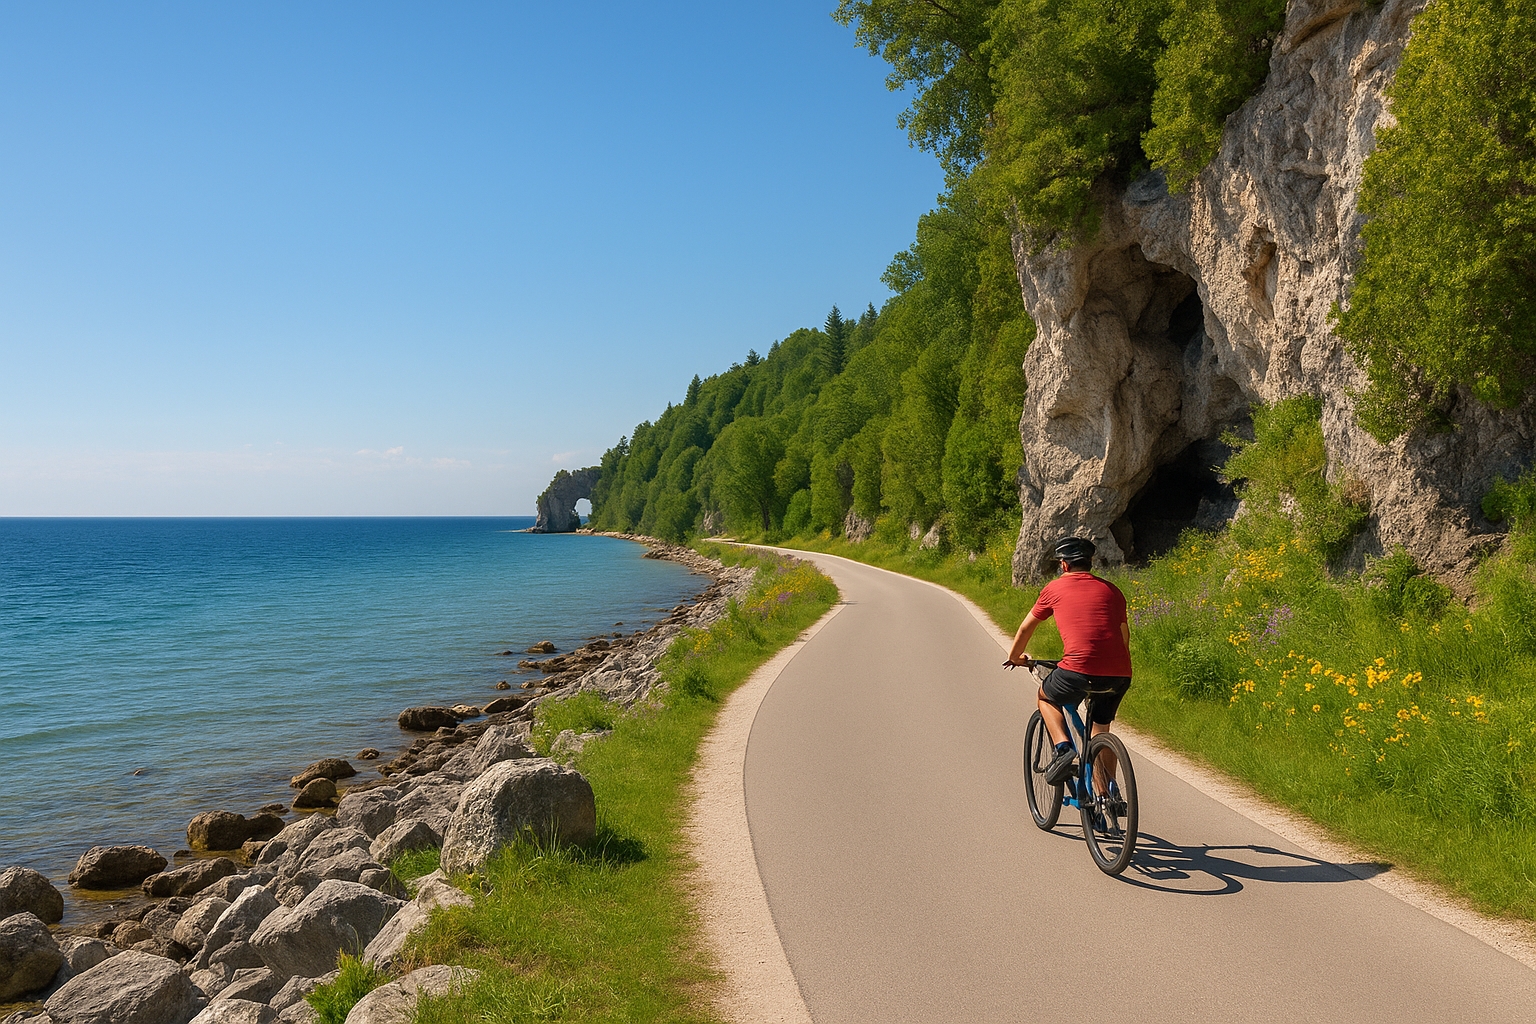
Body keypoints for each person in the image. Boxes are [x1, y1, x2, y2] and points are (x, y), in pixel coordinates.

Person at [1004, 536, 1132, 787]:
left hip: (1077, 669)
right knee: (1100, 729)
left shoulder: (1053, 589)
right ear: (1090, 562)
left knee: (1045, 696)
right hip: (1119, 674)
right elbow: (1124, 638)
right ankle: (1107, 799)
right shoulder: (1113, 591)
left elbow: (1025, 629)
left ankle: (1063, 750)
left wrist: (1015, 657)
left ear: (1064, 565)